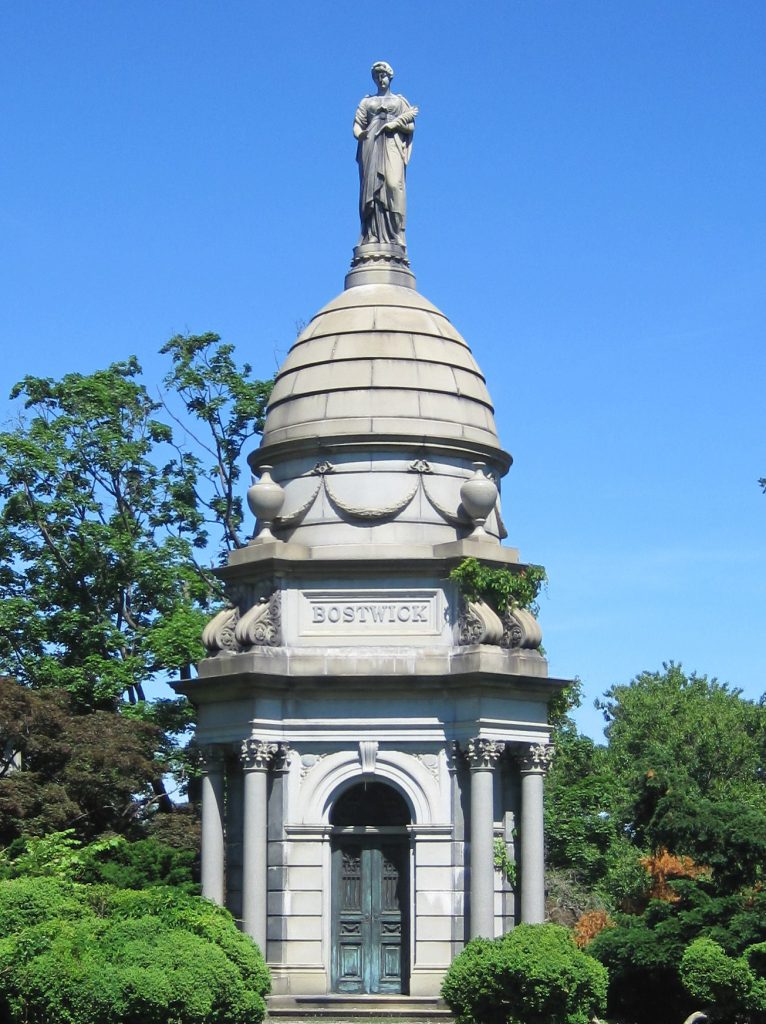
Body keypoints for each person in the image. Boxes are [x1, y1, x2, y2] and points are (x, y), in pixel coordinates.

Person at [353, 62, 418, 247]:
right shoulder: (367, 102)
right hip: (371, 143)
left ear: (390, 76)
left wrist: (395, 124)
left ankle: (397, 233)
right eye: (377, 76)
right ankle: (371, 234)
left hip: (391, 144)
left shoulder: (399, 101)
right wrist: (361, 134)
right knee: (371, 191)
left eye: (383, 75)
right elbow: (357, 125)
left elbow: (411, 125)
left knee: (393, 184)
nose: (381, 79)